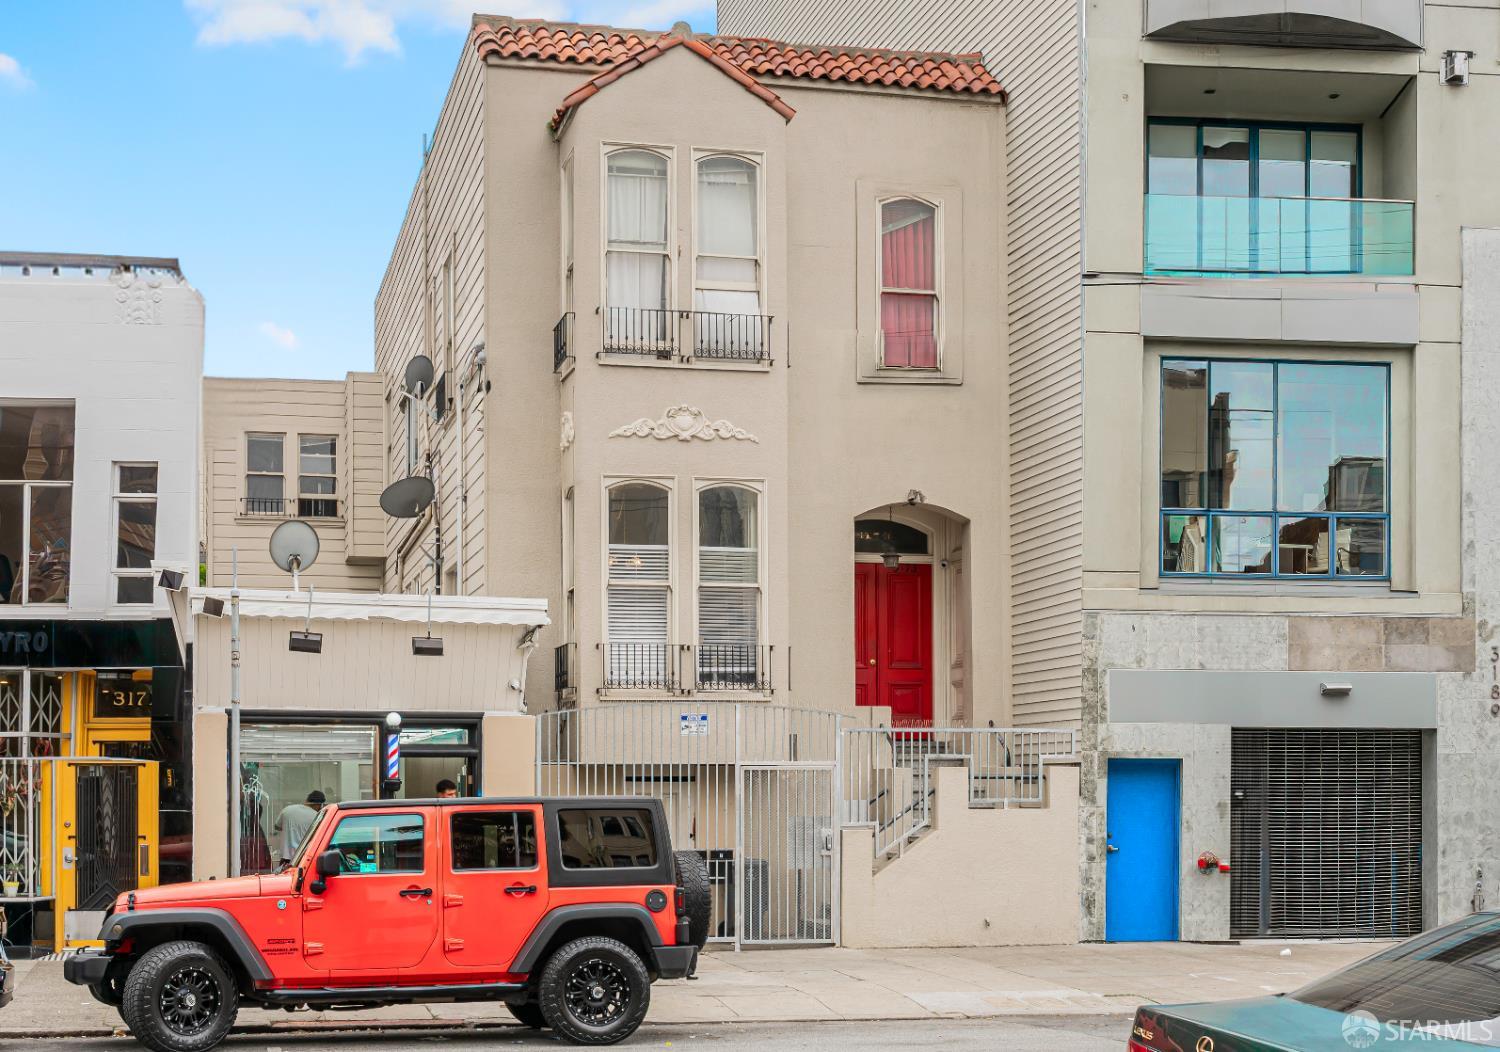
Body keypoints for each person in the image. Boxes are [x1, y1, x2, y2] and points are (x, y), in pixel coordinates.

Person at [273, 790, 325, 866]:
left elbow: (277, 826)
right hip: (303, 859)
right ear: (319, 805)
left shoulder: (287, 810)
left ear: (307, 800)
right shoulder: (317, 816)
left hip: (285, 860)